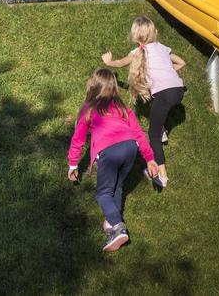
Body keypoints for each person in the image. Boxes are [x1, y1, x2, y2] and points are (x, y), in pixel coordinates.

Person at [67, 68, 159, 252]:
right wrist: (150, 158)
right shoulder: (124, 109)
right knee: (116, 187)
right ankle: (112, 224)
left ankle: (118, 226)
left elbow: (78, 139)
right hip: (130, 148)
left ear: (92, 86)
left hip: (109, 151)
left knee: (103, 194)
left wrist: (73, 164)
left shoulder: (88, 109)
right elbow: (139, 134)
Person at [102, 16, 186, 189]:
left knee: (152, 136)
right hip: (178, 91)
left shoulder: (136, 52)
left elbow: (120, 63)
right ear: (155, 32)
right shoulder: (163, 48)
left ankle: (162, 177)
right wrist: (168, 72)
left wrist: (108, 62)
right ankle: (162, 129)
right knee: (158, 106)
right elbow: (182, 63)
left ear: (135, 36)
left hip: (164, 95)